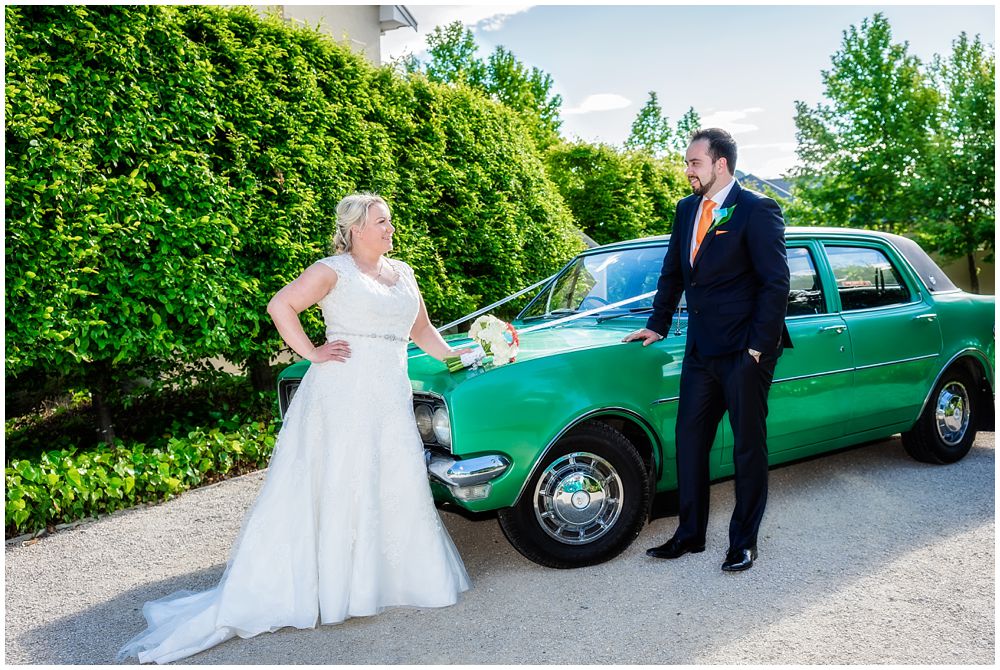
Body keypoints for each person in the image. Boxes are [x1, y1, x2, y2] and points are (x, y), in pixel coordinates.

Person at [118, 193, 471, 663]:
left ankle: (384, 581)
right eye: (381, 222)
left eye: (389, 222)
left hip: (388, 395)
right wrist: (312, 353)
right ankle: (325, 585)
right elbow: (280, 306)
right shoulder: (332, 270)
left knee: (390, 481)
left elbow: (421, 332)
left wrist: (461, 355)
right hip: (342, 393)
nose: (390, 229)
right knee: (337, 482)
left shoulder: (402, 272)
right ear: (355, 229)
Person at [623, 128, 790, 572]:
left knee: (747, 447)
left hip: (744, 351)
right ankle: (689, 534)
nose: (687, 170)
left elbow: (776, 283)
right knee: (690, 440)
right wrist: (656, 324)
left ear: (721, 164)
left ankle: (743, 542)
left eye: (694, 162)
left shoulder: (757, 209)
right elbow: (673, 273)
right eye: (687, 162)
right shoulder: (685, 210)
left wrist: (759, 345)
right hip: (700, 349)